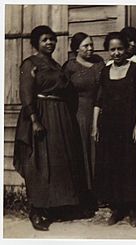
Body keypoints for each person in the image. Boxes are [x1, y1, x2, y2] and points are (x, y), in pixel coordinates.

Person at [13, 25, 89, 231]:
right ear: (37, 43)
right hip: (41, 115)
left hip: (60, 116)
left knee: (57, 164)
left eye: (52, 39)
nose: (50, 43)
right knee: (39, 163)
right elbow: (26, 93)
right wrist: (35, 120)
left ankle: (55, 207)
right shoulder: (30, 63)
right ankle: (37, 211)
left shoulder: (56, 65)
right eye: (45, 39)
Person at [92, 32, 136, 227]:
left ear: (127, 49)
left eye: (120, 49)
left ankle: (133, 209)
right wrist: (94, 126)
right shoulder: (105, 72)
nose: (116, 53)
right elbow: (99, 100)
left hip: (128, 125)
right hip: (109, 127)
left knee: (130, 165)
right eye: (112, 49)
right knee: (112, 166)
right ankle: (117, 208)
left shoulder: (135, 68)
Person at [63, 32, 105, 191]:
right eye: (85, 46)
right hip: (78, 113)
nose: (90, 48)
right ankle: (84, 191)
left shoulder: (99, 63)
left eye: (91, 45)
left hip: (99, 111)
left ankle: (100, 190)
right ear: (76, 49)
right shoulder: (70, 66)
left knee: (98, 150)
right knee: (82, 150)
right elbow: (63, 90)